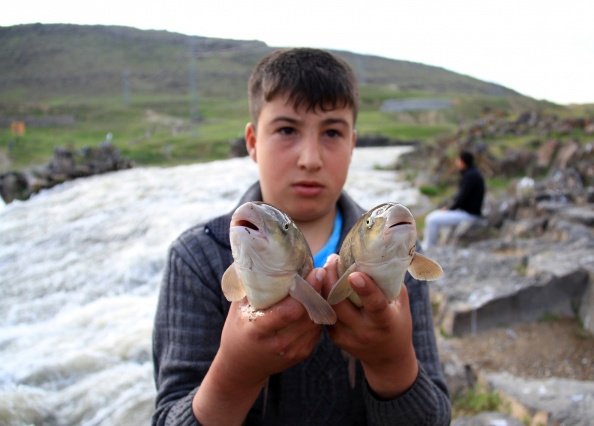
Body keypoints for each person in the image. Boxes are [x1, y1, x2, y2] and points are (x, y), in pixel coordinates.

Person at [152, 48, 451, 426]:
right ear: (252, 141)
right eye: (286, 130)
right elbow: (168, 416)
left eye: (331, 132)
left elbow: (435, 419)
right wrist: (236, 373)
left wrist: (391, 361)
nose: (310, 158)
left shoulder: (400, 246)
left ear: (353, 143)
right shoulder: (196, 259)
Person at [423, 151, 485, 248]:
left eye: (458, 160)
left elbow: (461, 198)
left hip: (468, 214)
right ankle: (430, 245)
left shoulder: (470, 176)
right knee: (433, 217)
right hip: (468, 212)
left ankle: (429, 248)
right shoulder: (473, 174)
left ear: (463, 162)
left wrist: (449, 209)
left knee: (431, 220)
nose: (456, 162)